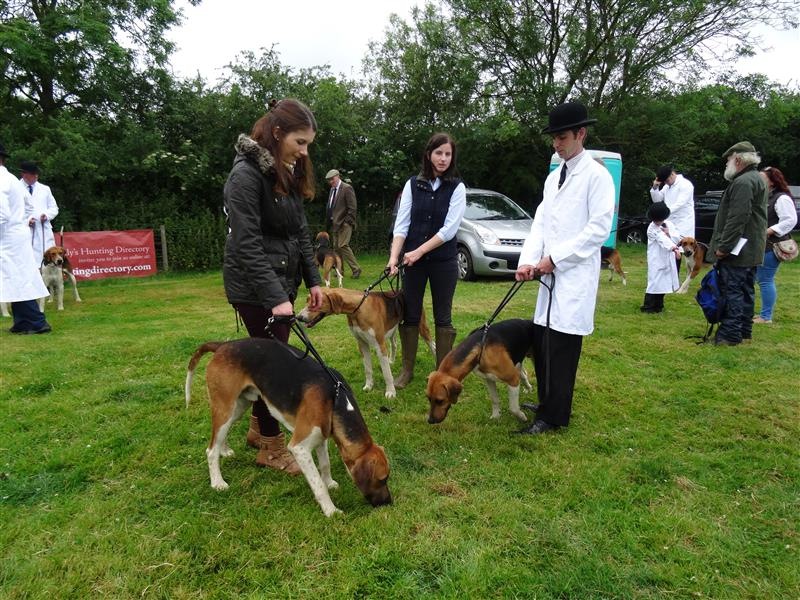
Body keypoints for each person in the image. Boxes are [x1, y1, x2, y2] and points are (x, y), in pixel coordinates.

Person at [222, 99, 324, 473]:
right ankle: (271, 447)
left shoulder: (287, 171)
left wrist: (314, 280)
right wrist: (275, 297)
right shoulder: (245, 177)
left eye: (309, 143)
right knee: (272, 369)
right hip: (254, 288)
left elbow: (300, 231)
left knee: (270, 359)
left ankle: (256, 430)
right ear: (277, 134)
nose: (304, 151)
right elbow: (246, 243)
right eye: (300, 142)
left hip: (282, 282)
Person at [515, 101, 615, 434]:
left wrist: (555, 259)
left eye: (562, 138)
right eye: (554, 138)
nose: (556, 144)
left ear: (580, 134)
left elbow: (598, 230)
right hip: (549, 275)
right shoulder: (554, 177)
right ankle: (547, 402)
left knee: (562, 346)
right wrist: (528, 261)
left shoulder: (597, 177)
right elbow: (541, 223)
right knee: (543, 340)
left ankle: (555, 416)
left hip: (574, 275)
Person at [387, 132, 466, 388]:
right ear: (429, 155)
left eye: (448, 154)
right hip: (413, 263)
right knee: (410, 314)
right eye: (438, 153)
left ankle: (443, 373)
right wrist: (393, 257)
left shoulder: (457, 187)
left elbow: (449, 230)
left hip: (443, 261)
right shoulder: (413, 184)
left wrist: (418, 251)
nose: (443, 158)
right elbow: (402, 224)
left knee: (443, 317)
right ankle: (407, 370)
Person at [708, 141, 767, 346]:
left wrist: (724, 247)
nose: (727, 163)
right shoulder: (756, 178)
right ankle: (743, 330)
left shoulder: (743, 182)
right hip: (751, 248)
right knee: (746, 289)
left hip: (738, 251)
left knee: (732, 290)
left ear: (739, 160)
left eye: (729, 159)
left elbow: (737, 218)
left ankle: (730, 335)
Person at [0, 144, 52, 334]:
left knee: (19, 278)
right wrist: (20, 222)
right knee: (18, 278)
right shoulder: (11, 179)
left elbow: (2, 213)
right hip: (14, 236)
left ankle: (36, 322)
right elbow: (29, 207)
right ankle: (24, 322)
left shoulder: (2, 180)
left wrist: (15, 223)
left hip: (7, 236)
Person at [754, 166, 797, 324]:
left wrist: (769, 231)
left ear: (772, 182)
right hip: (761, 245)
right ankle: (761, 314)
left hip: (772, 246)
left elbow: (790, 220)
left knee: (765, 280)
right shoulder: (765, 196)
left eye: (762, 178)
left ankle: (766, 317)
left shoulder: (781, 198)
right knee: (759, 279)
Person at [650, 164, 694, 274]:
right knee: (668, 247)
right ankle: (667, 275)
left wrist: (664, 213)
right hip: (670, 221)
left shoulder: (685, 184)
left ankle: (674, 277)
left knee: (677, 249)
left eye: (667, 180)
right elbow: (657, 200)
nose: (666, 183)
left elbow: (680, 203)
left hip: (682, 222)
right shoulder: (667, 186)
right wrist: (655, 187)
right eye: (664, 182)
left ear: (672, 174)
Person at [640, 202, 681, 313]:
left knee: (663, 283)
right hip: (656, 258)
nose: (657, 222)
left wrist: (669, 233)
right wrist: (674, 248)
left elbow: (677, 237)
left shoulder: (669, 224)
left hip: (667, 258)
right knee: (654, 282)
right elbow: (662, 239)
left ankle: (659, 306)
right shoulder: (652, 228)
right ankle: (648, 307)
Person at [325, 169, 361, 278]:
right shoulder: (332, 190)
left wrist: (347, 222)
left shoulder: (346, 188)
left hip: (345, 223)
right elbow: (331, 206)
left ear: (338, 176)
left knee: (343, 245)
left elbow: (352, 207)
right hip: (335, 224)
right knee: (336, 248)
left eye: (332, 179)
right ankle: (340, 271)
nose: (330, 181)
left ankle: (356, 269)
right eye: (329, 180)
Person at [20, 161, 59, 256]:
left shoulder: (45, 189)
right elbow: (11, 211)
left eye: (37, 173)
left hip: (43, 231)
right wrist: (27, 221)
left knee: (47, 259)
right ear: (24, 174)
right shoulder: (15, 188)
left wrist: (46, 215)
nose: (36, 176)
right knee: (27, 258)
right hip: (25, 231)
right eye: (33, 174)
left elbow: (54, 208)